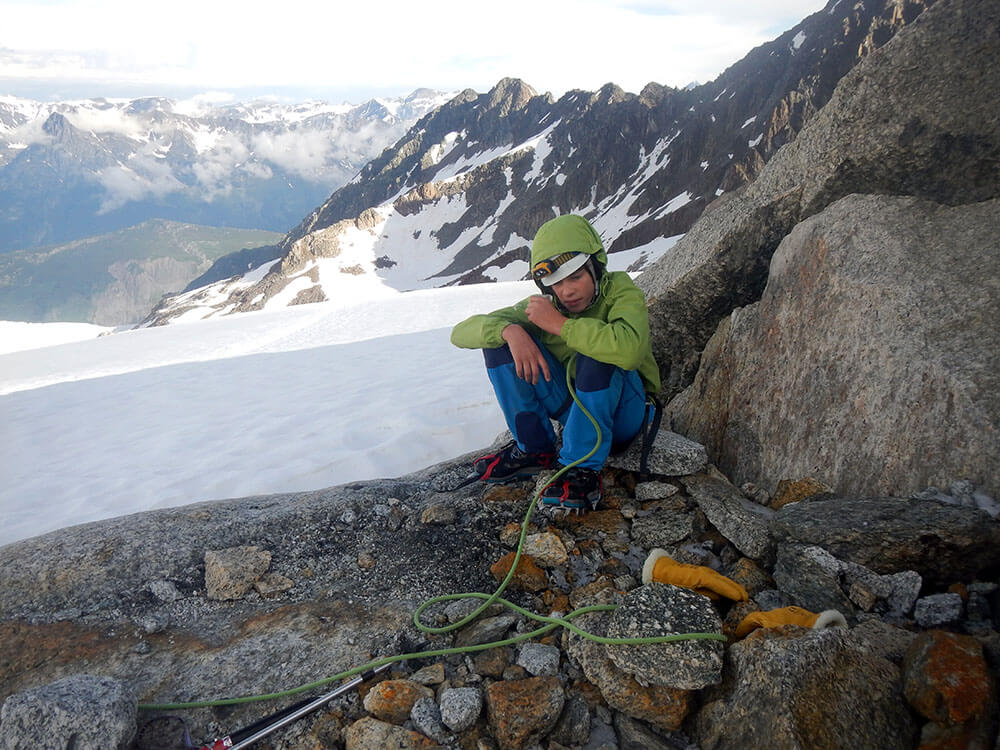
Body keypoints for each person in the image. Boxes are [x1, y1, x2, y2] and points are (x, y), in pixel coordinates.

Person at [450, 214, 660, 511]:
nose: (567, 291)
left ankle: (581, 468)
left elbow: (629, 351)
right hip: (575, 408)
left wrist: (561, 326)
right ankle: (535, 450)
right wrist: (510, 331)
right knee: (499, 346)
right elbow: (460, 333)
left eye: (576, 277)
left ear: (596, 267)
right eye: (556, 283)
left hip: (626, 416)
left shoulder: (621, 291)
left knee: (599, 351)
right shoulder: (545, 307)